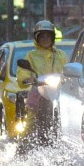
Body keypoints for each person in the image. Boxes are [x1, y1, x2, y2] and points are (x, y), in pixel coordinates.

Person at [15, 20, 68, 149]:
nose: (45, 39)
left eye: (48, 36)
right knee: (30, 122)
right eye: (42, 36)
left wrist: (67, 79)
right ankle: (24, 146)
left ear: (53, 37)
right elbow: (22, 73)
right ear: (37, 38)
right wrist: (27, 78)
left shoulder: (61, 55)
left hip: (58, 94)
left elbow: (68, 71)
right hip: (39, 92)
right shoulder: (31, 55)